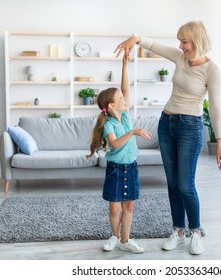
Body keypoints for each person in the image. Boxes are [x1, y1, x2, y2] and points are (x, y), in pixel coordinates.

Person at [114, 20, 221, 255]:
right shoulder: (179, 57)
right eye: (180, 41)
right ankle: (178, 230)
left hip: (190, 127)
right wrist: (135, 38)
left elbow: (215, 108)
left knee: (186, 185)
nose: (180, 45)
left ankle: (195, 231)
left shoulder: (211, 69)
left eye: (184, 41)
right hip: (167, 124)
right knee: (173, 184)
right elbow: (153, 44)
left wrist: (220, 144)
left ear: (196, 40)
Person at [87, 53, 152, 254]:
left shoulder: (124, 116)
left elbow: (125, 88)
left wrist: (124, 65)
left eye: (124, 98)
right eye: (121, 99)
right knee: (115, 208)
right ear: (112, 106)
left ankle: (125, 240)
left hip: (131, 167)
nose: (125, 99)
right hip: (115, 169)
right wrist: (133, 132)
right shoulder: (109, 124)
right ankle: (114, 237)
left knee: (129, 206)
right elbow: (114, 144)